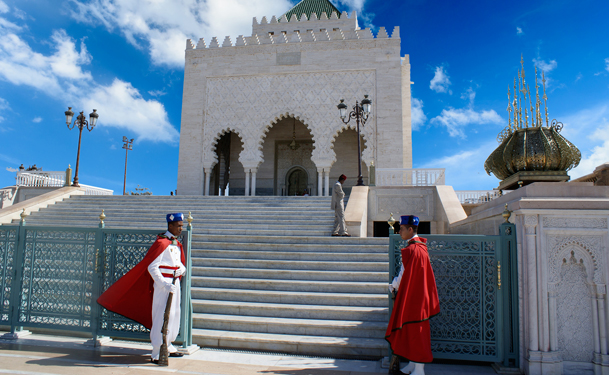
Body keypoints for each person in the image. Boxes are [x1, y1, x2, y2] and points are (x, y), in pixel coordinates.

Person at [97, 213, 187, 364]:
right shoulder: (161, 242)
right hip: (163, 285)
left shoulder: (176, 244)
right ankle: (157, 350)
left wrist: (181, 270)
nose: (180, 229)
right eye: (178, 226)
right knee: (161, 316)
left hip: (174, 283)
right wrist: (163, 284)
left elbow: (181, 263)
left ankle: (169, 343)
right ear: (170, 226)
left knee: (174, 314)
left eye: (182, 226)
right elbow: (152, 266)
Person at [386, 215, 440, 375]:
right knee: (412, 330)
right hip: (420, 296)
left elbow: (403, 274)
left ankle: (419, 369)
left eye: (401, 228)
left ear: (410, 229)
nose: (399, 231)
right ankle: (413, 364)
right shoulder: (421, 247)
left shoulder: (412, 249)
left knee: (417, 331)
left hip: (415, 298)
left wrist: (393, 285)